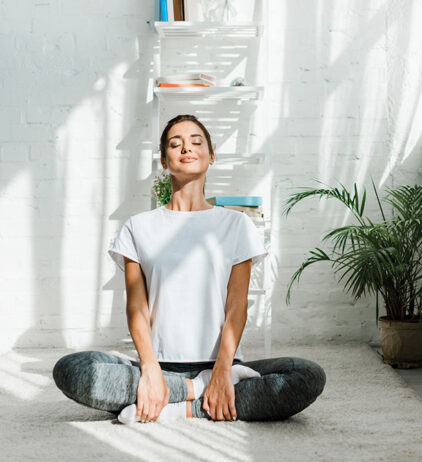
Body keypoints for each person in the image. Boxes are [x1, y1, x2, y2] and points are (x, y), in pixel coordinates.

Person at [52, 114, 327, 424]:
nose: (187, 147)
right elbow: (137, 309)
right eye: (175, 143)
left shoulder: (237, 225)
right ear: (164, 161)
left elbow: (236, 306)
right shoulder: (138, 227)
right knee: (72, 369)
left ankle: (177, 405)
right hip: (159, 364)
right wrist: (151, 370)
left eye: (196, 142)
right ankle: (198, 391)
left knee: (307, 376)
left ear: (211, 157)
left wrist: (222, 370)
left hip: (223, 363)